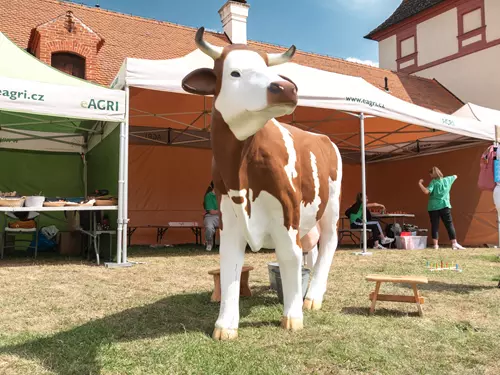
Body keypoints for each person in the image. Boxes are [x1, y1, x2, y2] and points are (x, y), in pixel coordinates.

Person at [418, 166, 465, 250]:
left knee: (435, 226)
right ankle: (454, 243)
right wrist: (454, 177)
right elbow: (455, 176)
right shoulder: (447, 180)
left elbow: (426, 191)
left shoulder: (433, 182)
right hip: (445, 205)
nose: (430, 176)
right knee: (449, 224)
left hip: (433, 207)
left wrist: (420, 184)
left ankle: (436, 245)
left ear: (433, 174)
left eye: (431, 174)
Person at [203, 181, 219, 251]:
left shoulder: (224, 195)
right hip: (211, 217)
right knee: (209, 228)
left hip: (223, 216)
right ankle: (209, 243)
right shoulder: (209, 196)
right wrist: (222, 211)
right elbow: (212, 212)